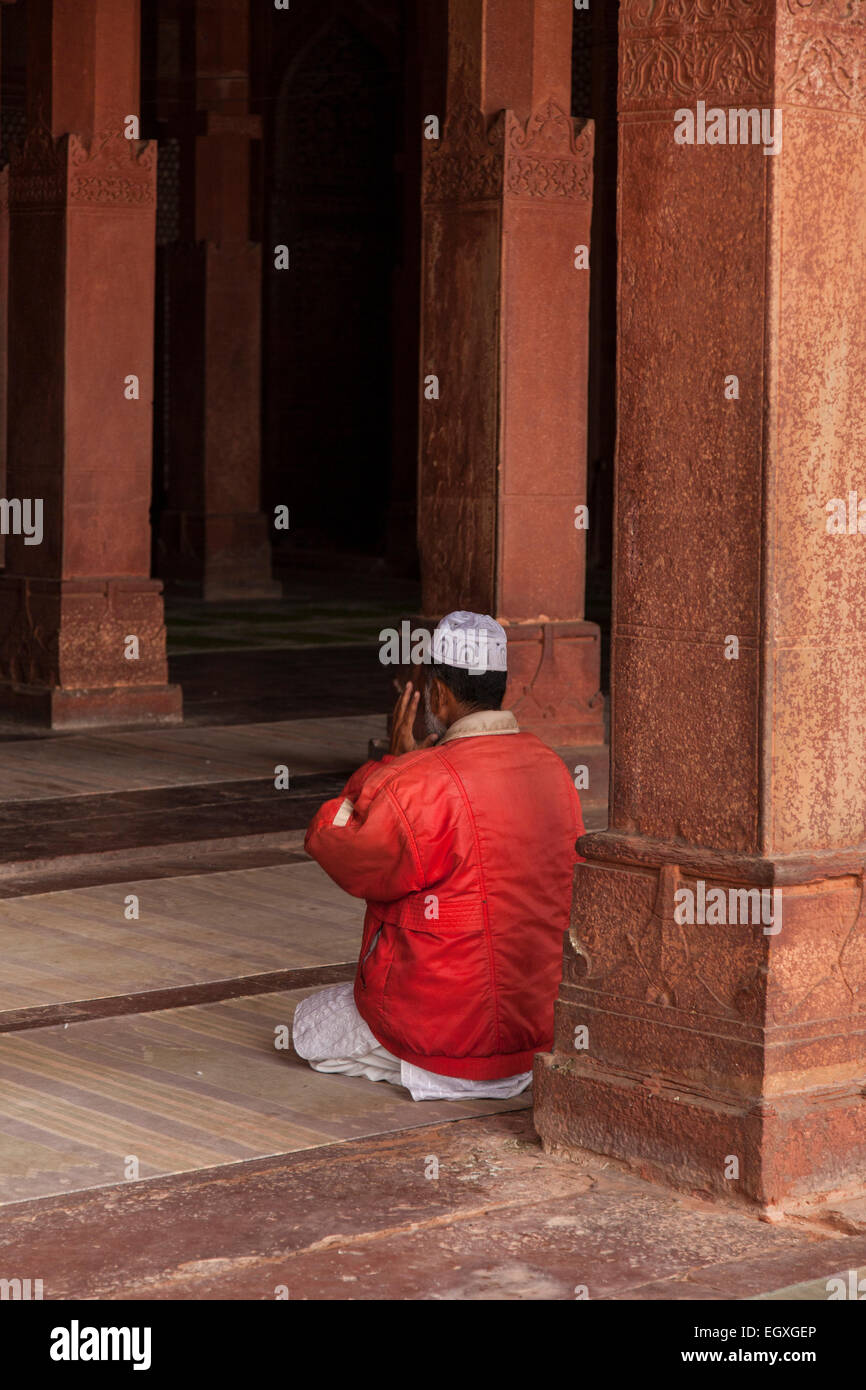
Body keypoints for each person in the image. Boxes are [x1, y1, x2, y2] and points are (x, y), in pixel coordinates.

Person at [293, 611, 585, 1101]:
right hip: (537, 1033)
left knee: (307, 1030)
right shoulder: (554, 769)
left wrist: (390, 767)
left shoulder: (419, 780)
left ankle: (441, 1074)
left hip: (444, 1036)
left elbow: (335, 842)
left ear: (440, 695)